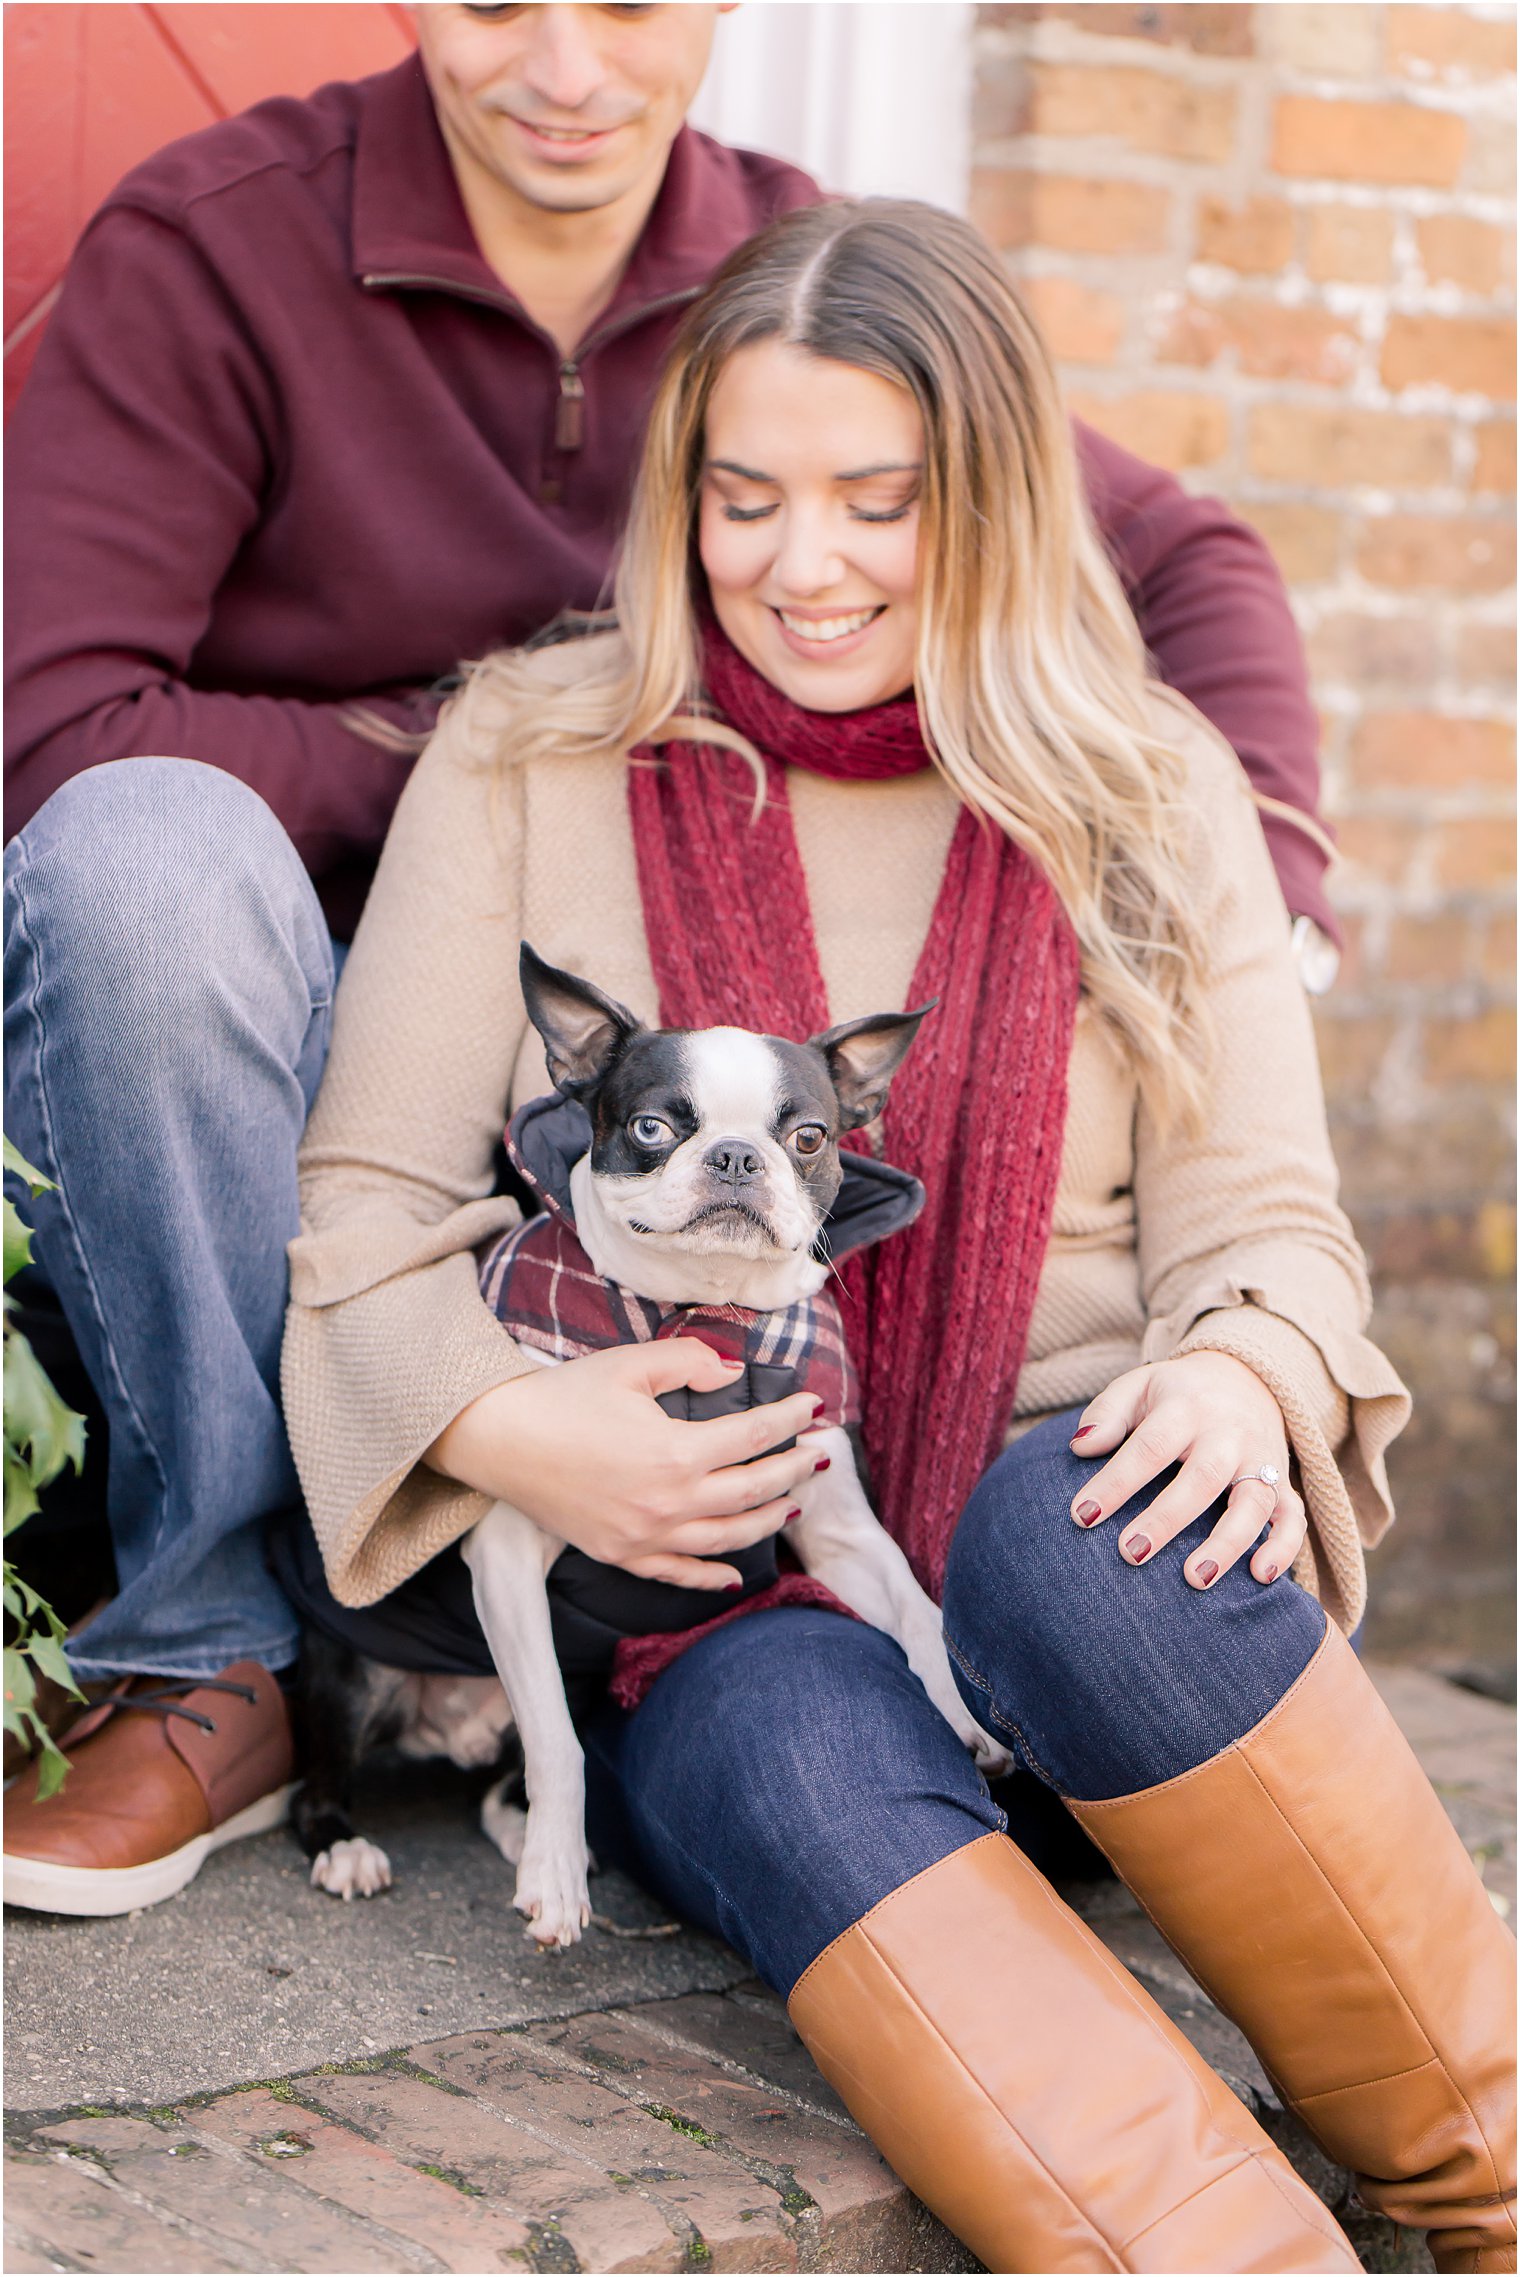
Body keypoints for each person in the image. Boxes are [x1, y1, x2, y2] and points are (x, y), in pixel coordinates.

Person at [271, 199, 1506, 2271]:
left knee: (1079, 1530)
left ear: (999, 499)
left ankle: (1488, 2180)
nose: (803, 563)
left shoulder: (1146, 783)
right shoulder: (529, 750)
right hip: (706, 1599)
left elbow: (1267, 1221)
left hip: (1087, 1607)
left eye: (878, 501)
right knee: (768, 1713)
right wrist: (516, 1431)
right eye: (743, 498)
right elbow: (368, 1213)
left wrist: (1240, 1363)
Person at [4, 5, 1336, 1892]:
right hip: (309, 1010)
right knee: (145, 864)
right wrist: (513, 734)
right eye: (497, 6)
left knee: (1106, 1577)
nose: (564, 67)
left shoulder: (808, 279)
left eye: (626, 2)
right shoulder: (222, 249)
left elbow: (1179, 554)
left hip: (688, 1095)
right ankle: (207, 1650)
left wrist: (1251, 885)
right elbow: (57, 738)